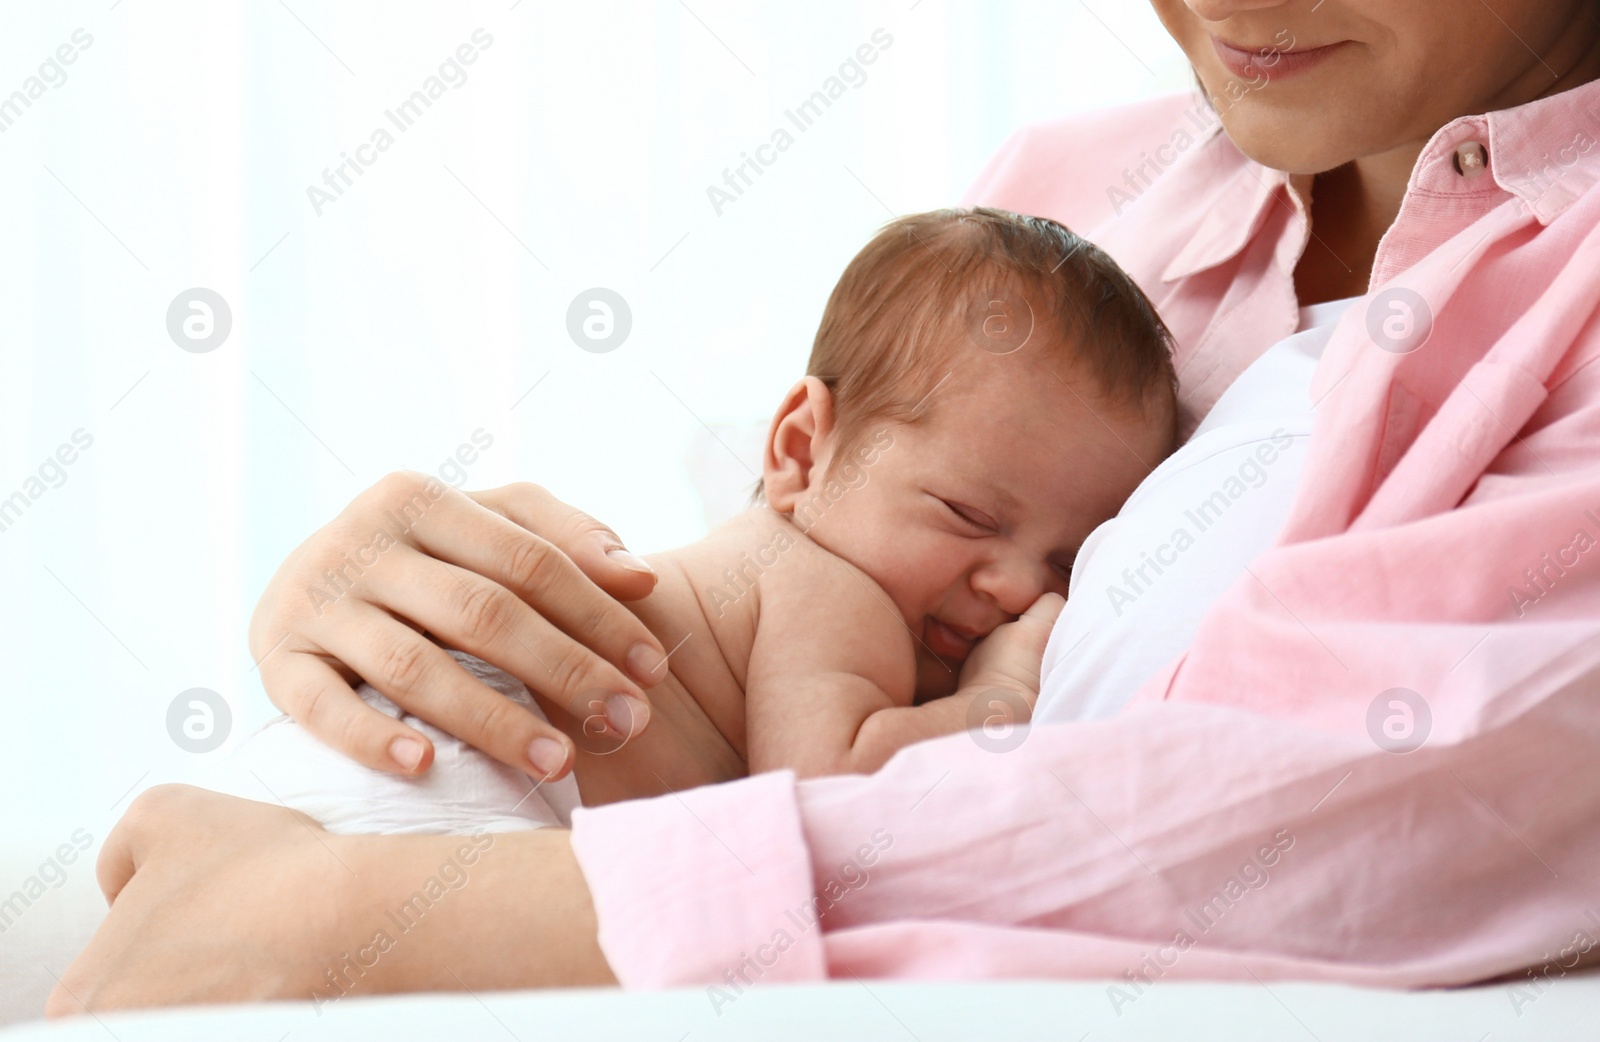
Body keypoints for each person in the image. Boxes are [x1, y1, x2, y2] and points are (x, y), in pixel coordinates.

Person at [49, 0, 1600, 1015]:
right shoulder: (1092, 192)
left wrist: (346, 923)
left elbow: (1326, 820)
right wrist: (395, 588)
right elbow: (795, 556)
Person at [219, 209, 1176, 834]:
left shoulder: (761, 564)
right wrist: (998, 697)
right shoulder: (833, 590)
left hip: (388, 747)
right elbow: (831, 792)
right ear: (802, 452)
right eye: (968, 514)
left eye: (1065, 563)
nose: (1016, 588)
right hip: (468, 769)